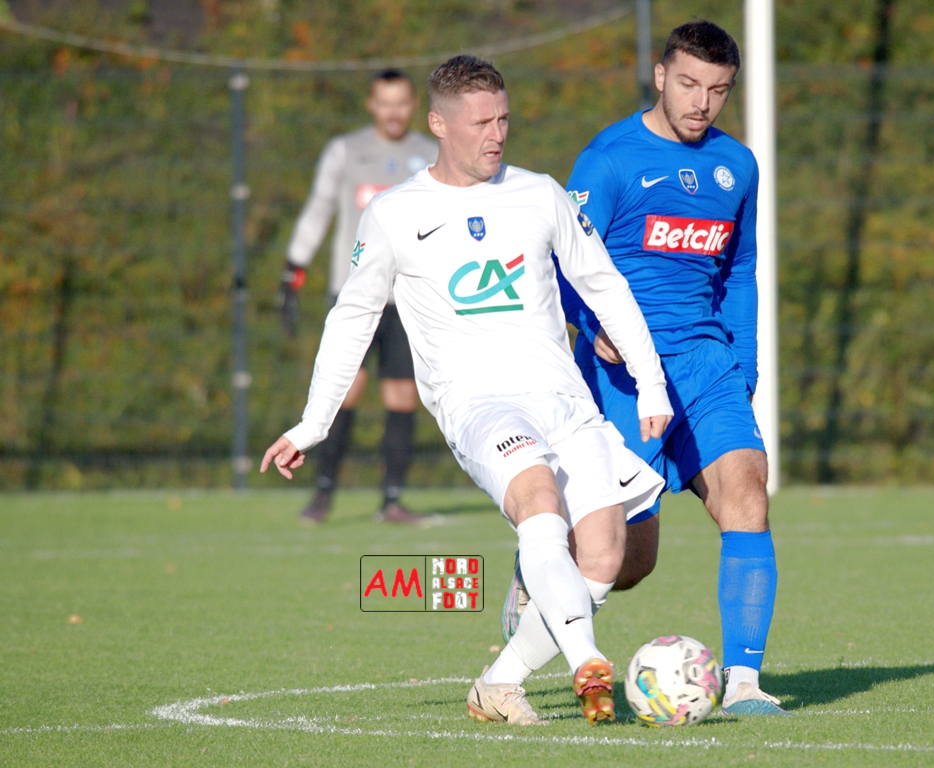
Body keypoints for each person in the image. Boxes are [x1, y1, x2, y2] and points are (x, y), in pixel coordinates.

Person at [261, 55, 673, 726]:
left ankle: (499, 682)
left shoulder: (540, 194)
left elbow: (604, 286)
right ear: (439, 125)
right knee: (538, 500)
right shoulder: (395, 213)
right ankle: (588, 664)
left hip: (564, 400)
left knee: (604, 558)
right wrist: (314, 423)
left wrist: (651, 383)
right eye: (481, 123)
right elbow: (352, 318)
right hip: (478, 404)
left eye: (504, 119)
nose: (496, 135)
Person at [503, 20, 791, 717]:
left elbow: (741, 269)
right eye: (689, 84)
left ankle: (744, 683)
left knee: (748, 492)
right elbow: (559, 258)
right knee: (628, 561)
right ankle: (539, 574)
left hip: (708, 365)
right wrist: (593, 324)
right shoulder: (609, 161)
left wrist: (745, 366)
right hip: (623, 375)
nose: (702, 102)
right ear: (661, 77)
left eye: (718, 90)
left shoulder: (737, 167)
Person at [277, 69, 438, 525]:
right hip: (354, 296)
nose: (394, 112)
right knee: (343, 392)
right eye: (385, 103)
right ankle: (322, 493)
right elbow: (319, 209)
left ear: (414, 105)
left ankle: (392, 500)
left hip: (407, 299)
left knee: (402, 395)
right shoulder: (345, 151)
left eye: (402, 102)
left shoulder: (432, 155)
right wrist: (294, 267)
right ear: (372, 104)